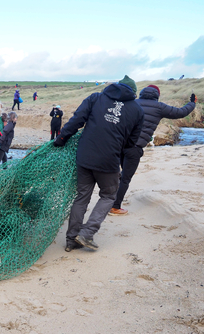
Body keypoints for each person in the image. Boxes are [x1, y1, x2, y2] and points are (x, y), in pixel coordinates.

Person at [53, 75, 144, 252]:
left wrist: (61, 138)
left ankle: (71, 240)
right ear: (133, 92)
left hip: (85, 156)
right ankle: (87, 234)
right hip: (109, 160)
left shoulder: (96, 97)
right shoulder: (137, 110)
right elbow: (131, 141)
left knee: (82, 197)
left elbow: (77, 120)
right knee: (109, 196)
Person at [109, 85, 197, 215]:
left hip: (119, 144)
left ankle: (109, 200)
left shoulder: (131, 103)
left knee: (119, 175)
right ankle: (114, 207)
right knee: (125, 178)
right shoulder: (159, 107)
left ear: (142, 93)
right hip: (135, 148)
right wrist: (192, 103)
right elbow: (181, 112)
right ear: (157, 95)